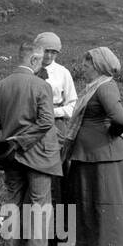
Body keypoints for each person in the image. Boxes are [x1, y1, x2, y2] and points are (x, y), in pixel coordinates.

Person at [0, 39, 62, 246]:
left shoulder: (0, 85)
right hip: (39, 155)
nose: (42, 65)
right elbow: (47, 121)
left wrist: (13, 132)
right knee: (40, 204)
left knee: (12, 201)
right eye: (40, 60)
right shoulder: (41, 86)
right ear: (33, 59)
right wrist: (22, 140)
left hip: (9, 154)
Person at [62, 46, 123, 246]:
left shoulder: (105, 87)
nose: (84, 66)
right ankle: (89, 244)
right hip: (89, 153)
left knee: (104, 199)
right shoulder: (94, 86)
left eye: (88, 62)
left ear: (99, 66)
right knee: (88, 197)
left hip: (103, 154)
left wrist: (108, 134)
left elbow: (119, 119)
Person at [34, 31, 77, 214]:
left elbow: (73, 105)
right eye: (46, 51)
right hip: (32, 126)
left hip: (56, 125)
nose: (49, 56)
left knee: (56, 171)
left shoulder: (63, 73)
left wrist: (53, 113)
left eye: (54, 52)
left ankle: (59, 218)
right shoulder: (29, 70)